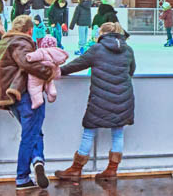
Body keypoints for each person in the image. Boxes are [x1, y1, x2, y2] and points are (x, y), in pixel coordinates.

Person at [54, 22, 136, 183]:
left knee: (89, 131)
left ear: (102, 34)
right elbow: (131, 71)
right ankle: (112, 170)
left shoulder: (97, 49)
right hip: (124, 97)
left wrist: (59, 71)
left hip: (100, 98)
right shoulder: (128, 50)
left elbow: (77, 64)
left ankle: (76, 169)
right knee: (118, 133)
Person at [0, 15, 52, 189]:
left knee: (34, 132)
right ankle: (22, 176)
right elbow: (28, 63)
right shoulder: (21, 43)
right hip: (24, 94)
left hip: (10, 97)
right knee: (29, 135)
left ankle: (37, 160)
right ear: (30, 30)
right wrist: (49, 72)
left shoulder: (0, 44)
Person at [25, 34, 68, 109]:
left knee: (35, 87)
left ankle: (37, 100)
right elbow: (57, 68)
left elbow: (34, 56)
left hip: (39, 73)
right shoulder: (56, 52)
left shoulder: (42, 51)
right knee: (50, 84)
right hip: (50, 74)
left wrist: (29, 57)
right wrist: (57, 75)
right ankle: (52, 93)